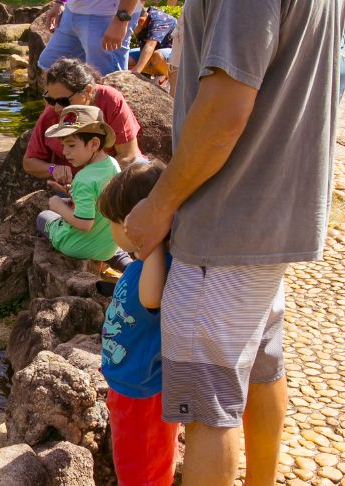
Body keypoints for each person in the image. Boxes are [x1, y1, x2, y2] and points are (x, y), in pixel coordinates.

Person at [123, 1, 344, 484]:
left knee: (207, 403)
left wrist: (160, 205)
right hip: (275, 212)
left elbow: (224, 110)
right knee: (260, 364)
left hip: (226, 218)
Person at [97, 160, 180, 486]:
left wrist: (153, 242)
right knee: (132, 460)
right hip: (128, 385)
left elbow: (150, 299)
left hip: (143, 393)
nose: (112, 230)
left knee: (143, 467)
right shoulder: (143, 264)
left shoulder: (156, 264)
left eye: (114, 222)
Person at [24, 59, 143, 195]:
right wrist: (53, 169)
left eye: (63, 101)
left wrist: (90, 183)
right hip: (76, 186)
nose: (57, 108)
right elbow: (29, 162)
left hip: (110, 180)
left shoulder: (110, 99)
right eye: (50, 100)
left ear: (88, 91)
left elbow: (129, 155)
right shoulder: (51, 113)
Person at [35, 105, 126, 269]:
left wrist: (58, 206)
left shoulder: (83, 179)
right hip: (109, 245)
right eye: (63, 145)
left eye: (71, 145)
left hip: (77, 247)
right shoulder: (113, 164)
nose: (65, 152)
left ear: (94, 144)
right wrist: (72, 194)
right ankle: (121, 261)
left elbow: (85, 224)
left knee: (44, 216)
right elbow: (99, 199)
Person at [38, 0, 142, 76]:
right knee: (50, 66)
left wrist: (121, 20)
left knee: (105, 79)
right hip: (72, 11)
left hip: (108, 15)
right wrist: (60, 2)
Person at [128, 6, 177, 86]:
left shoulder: (159, 20)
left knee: (158, 56)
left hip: (174, 57)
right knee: (127, 58)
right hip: (154, 54)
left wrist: (136, 71)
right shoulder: (142, 19)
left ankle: (167, 77)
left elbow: (150, 46)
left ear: (141, 21)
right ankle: (157, 75)